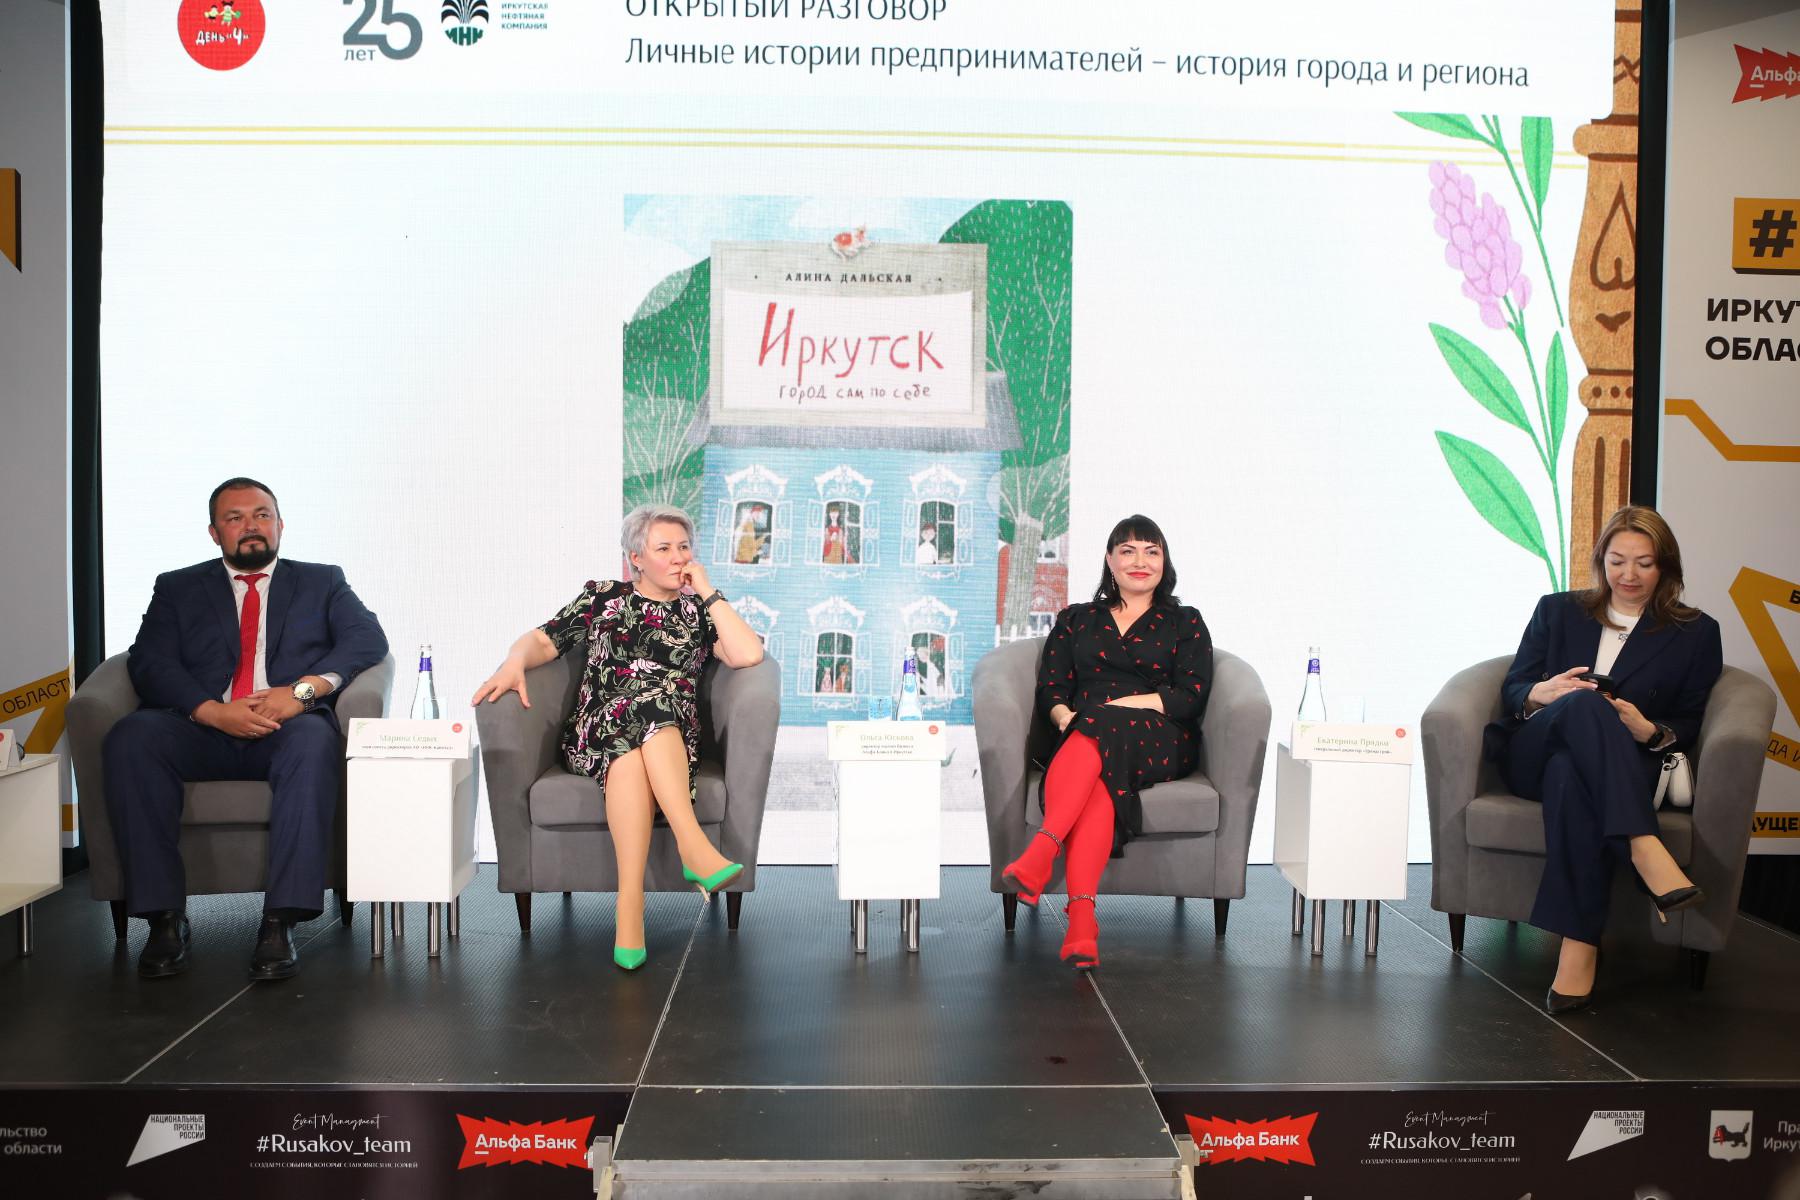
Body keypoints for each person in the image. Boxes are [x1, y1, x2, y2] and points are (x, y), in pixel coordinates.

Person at [107, 477, 388, 981]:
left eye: (262, 515)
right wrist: (211, 711)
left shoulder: (322, 581)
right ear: (215, 533)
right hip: (201, 728)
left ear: (280, 524)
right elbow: (149, 661)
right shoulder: (178, 587)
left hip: (285, 728)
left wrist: (301, 693)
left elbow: (367, 639)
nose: (251, 526)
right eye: (234, 518)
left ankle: (281, 921)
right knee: (132, 738)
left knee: (315, 740)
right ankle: (164, 918)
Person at [472, 504, 765, 970]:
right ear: (636, 559)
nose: (678, 557)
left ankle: (629, 908)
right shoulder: (605, 597)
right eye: (664, 548)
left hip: (667, 740)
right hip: (596, 728)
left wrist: (708, 591)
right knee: (645, 708)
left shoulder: (699, 610)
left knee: (630, 756)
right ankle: (693, 847)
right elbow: (544, 640)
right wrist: (512, 662)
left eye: (684, 547)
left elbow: (748, 654)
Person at [1485, 505, 1723, 1014]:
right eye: (1617, 561)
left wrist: (1650, 730)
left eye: (1644, 563)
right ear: (1600, 561)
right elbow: (1514, 686)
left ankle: (1578, 949)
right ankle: (1643, 845)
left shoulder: (1696, 632)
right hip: (1533, 750)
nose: (1628, 575)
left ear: (1666, 567)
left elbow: (1690, 718)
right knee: (1584, 703)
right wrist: (1541, 693)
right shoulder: (1557, 610)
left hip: (1611, 765)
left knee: (1571, 775)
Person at [999, 514, 1213, 969]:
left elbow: (1190, 695)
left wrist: (1122, 706)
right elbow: (1052, 689)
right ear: (1110, 561)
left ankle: (1042, 852)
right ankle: (1081, 922)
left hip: (1160, 736)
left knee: (1099, 724)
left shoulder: (1185, 621)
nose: (1140, 561)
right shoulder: (1077, 619)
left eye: (1151, 552)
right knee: (1097, 777)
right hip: (1083, 733)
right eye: (1128, 551)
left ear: (1165, 561)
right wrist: (1065, 719)